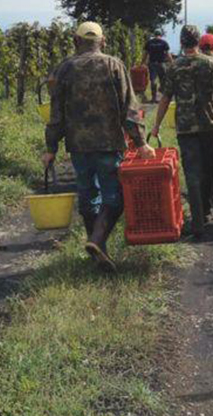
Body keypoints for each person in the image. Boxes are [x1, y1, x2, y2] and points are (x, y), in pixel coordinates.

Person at [43, 21, 155, 271]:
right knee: (114, 198)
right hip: (108, 143)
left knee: (88, 195)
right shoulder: (113, 65)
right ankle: (96, 241)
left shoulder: (64, 69)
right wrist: (141, 142)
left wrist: (51, 147)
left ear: (76, 41)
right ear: (102, 42)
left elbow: (56, 113)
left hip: (79, 146)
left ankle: (97, 251)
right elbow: (130, 107)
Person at [147, 24, 213, 239]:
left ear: (182, 42)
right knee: (208, 168)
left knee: (192, 173)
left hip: (186, 129)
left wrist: (156, 126)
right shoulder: (211, 64)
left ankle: (197, 221)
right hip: (209, 124)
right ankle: (205, 210)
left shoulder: (174, 67)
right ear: (197, 41)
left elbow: (165, 99)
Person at [144, 33, 172, 103]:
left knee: (153, 80)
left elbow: (145, 54)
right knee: (163, 80)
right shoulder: (163, 43)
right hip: (161, 64)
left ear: (154, 35)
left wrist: (142, 63)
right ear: (160, 35)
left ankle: (153, 98)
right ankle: (162, 95)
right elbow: (168, 54)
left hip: (152, 63)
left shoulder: (149, 43)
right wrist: (172, 62)